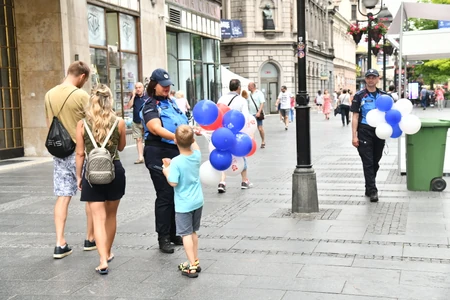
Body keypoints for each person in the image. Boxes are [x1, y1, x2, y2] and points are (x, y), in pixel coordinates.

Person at [44, 61, 96, 259]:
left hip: (60, 151)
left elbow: (50, 124)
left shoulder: (49, 94)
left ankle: (60, 243)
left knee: (63, 196)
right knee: (90, 196)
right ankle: (90, 239)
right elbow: (91, 123)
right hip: (80, 151)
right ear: (82, 76)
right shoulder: (81, 95)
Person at [75, 84, 126, 275]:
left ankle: (103, 259)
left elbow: (80, 154)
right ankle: (109, 250)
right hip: (114, 170)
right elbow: (121, 148)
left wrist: (79, 175)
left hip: (92, 173)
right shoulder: (119, 122)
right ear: (109, 100)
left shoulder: (82, 123)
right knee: (111, 216)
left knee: (98, 218)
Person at [142, 68, 189, 254]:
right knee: (165, 194)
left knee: (175, 192)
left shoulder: (172, 103)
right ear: (154, 85)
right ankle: (163, 237)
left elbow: (182, 123)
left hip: (176, 152)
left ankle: (172, 232)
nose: (167, 88)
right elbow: (154, 128)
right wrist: (176, 137)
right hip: (158, 152)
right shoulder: (149, 105)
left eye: (169, 85)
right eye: (164, 86)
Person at [162, 125, 204, 278]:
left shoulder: (176, 161)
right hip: (197, 201)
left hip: (184, 205)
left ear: (175, 141)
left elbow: (173, 182)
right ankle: (195, 260)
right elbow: (195, 146)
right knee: (193, 232)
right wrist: (194, 135)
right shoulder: (197, 155)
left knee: (185, 234)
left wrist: (166, 170)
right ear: (193, 139)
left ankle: (191, 266)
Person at [350, 69, 388, 203]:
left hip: (380, 131)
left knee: (375, 161)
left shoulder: (384, 96)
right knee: (368, 162)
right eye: (368, 77)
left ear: (378, 79)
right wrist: (354, 136)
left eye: (374, 77)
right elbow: (354, 116)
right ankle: (373, 190)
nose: (371, 80)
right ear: (365, 79)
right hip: (365, 130)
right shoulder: (359, 96)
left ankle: (368, 185)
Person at [216, 79, 251, 193]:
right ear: (239, 88)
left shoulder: (222, 99)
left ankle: (222, 182)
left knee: (223, 154)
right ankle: (244, 180)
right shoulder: (242, 100)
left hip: (223, 131)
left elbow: (218, 114)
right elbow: (245, 117)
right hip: (236, 131)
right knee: (240, 154)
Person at [126, 82, 148, 164]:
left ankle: (147, 155)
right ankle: (140, 157)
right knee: (138, 139)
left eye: (139, 87)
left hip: (145, 121)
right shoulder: (133, 97)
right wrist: (133, 96)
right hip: (136, 121)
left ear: (143, 88)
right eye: (136, 87)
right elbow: (129, 106)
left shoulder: (147, 96)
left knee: (147, 139)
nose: (138, 89)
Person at [248, 82, 266, 148]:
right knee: (251, 129)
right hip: (251, 114)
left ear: (252, 86)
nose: (248, 87)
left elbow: (262, 103)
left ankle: (263, 140)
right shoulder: (249, 94)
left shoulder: (259, 93)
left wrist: (259, 112)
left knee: (260, 128)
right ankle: (252, 143)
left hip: (257, 113)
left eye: (249, 86)